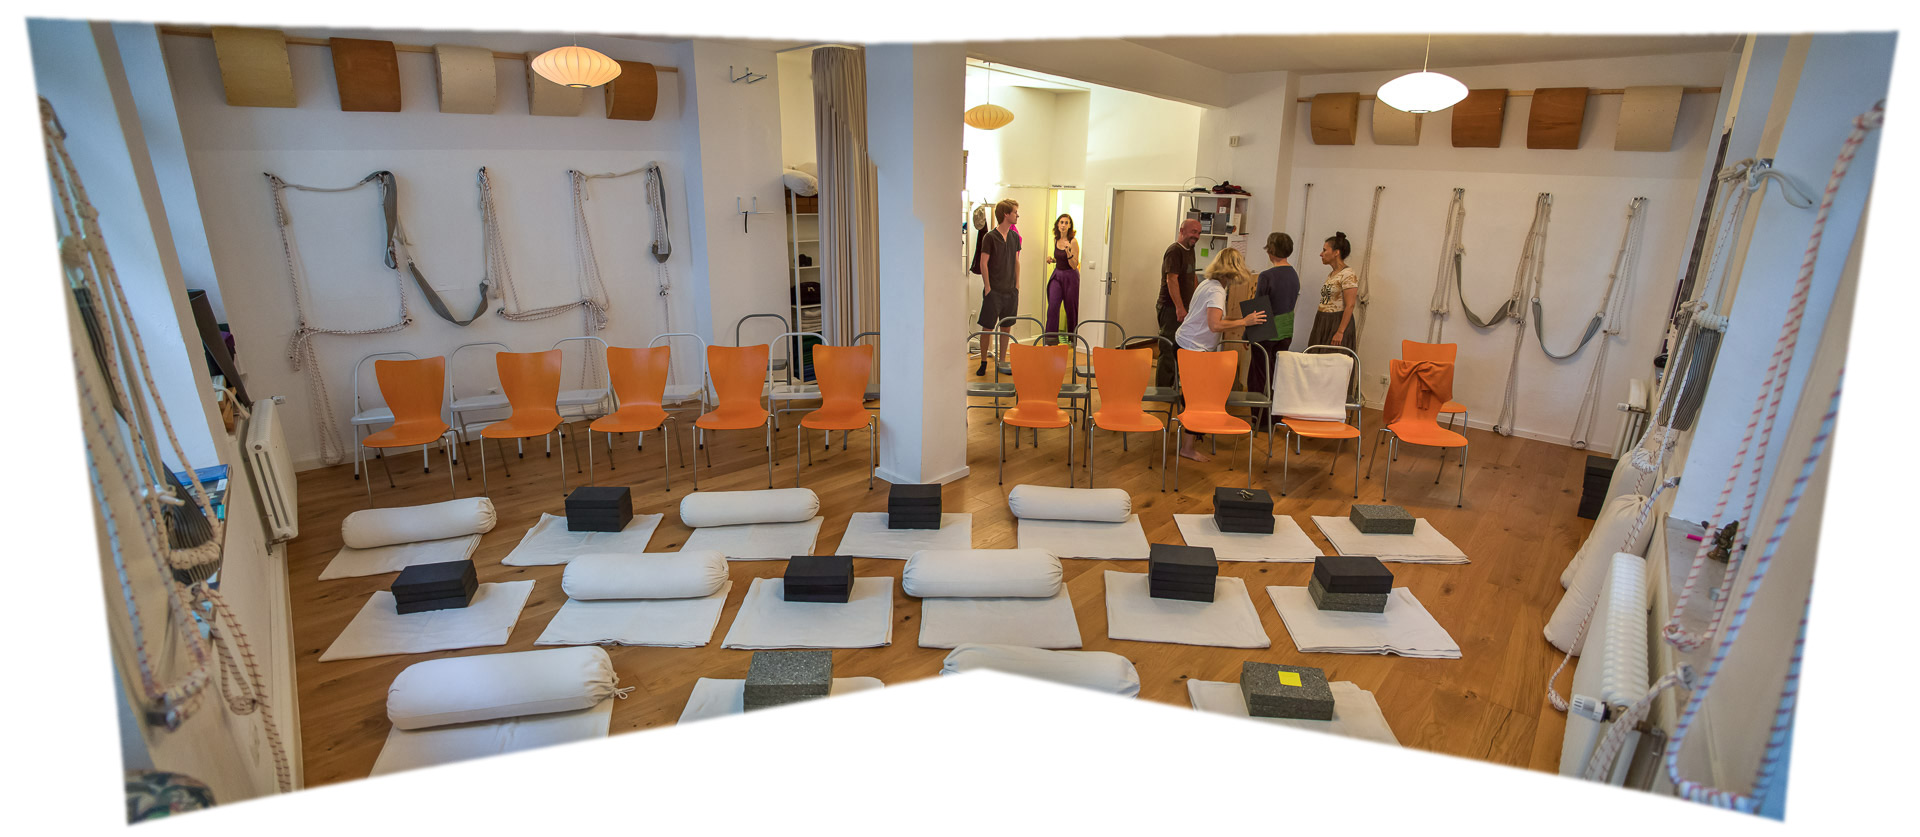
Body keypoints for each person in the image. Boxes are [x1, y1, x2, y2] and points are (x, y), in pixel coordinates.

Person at [1173, 248, 1267, 462]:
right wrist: (1244, 322)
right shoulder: (1216, 291)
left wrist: (1242, 319)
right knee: (1198, 399)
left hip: (1186, 343)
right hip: (1193, 348)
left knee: (1196, 396)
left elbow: (1213, 318)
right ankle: (1187, 448)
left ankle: (1192, 436)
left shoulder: (1207, 284)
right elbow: (1214, 325)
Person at [1246, 232, 1301, 428]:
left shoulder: (1267, 275)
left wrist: (1247, 335)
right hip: (1286, 330)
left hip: (1266, 330)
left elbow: (1259, 308)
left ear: (1270, 250)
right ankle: (1276, 417)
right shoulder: (1294, 274)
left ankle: (1260, 420)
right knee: (1277, 375)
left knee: (1259, 375)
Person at [1309, 231, 1361, 401]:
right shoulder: (1332, 274)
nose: (1321, 254)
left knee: (1333, 367)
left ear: (1336, 252)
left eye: (1325, 250)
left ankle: (1333, 404)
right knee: (1317, 364)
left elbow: (1350, 305)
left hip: (1336, 322)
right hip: (1323, 321)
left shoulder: (1348, 274)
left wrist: (1340, 331)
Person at [1154, 219, 1203, 388]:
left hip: (1185, 308)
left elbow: (1192, 276)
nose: (1196, 236)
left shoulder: (1191, 249)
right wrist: (1179, 308)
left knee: (1180, 347)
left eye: (1199, 233)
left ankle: (1174, 385)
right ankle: (1163, 390)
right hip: (1170, 308)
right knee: (1168, 347)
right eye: (1193, 232)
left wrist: (1196, 300)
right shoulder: (1174, 251)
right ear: (1182, 230)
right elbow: (1171, 279)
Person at [975, 199, 1020, 376]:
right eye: (1015, 212)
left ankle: (1002, 361)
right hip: (994, 291)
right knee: (987, 327)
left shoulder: (1014, 237)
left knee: (1006, 327)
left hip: (1010, 291)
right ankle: (983, 361)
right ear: (1006, 214)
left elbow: (1016, 261)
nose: (1017, 215)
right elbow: (983, 263)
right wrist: (987, 287)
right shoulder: (990, 237)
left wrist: (1017, 284)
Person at [1044, 214, 1081, 344]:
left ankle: (1073, 338)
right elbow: (1060, 259)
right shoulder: (1056, 239)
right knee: (1053, 305)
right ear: (1058, 224)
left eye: (1066, 223)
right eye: (1061, 222)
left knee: (1071, 308)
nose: (1063, 225)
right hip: (1057, 275)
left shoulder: (1073, 241)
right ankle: (1051, 339)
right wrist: (1052, 259)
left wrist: (1068, 252)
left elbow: (1074, 265)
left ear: (1070, 225)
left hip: (1071, 277)